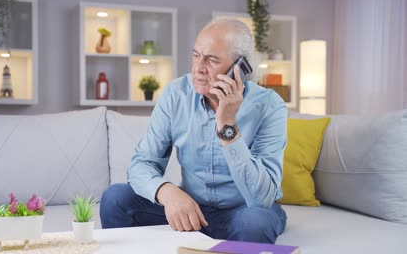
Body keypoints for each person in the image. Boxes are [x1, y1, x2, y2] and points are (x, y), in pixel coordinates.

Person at [100, 18, 287, 244]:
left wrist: (227, 125)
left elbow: (261, 198)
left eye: (211, 59)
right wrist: (167, 192)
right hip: (192, 211)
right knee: (115, 198)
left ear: (239, 68)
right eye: (196, 55)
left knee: (255, 223)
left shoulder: (269, 106)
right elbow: (142, 164)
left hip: (243, 212)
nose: (198, 68)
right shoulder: (176, 94)